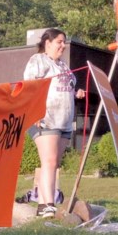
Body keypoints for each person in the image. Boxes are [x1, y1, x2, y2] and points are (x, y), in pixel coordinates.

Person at [23, 28, 86, 218]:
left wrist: (77, 93)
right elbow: (29, 86)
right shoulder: (38, 61)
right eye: (59, 42)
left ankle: (43, 203)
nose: (63, 46)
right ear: (47, 43)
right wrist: (35, 112)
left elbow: (64, 88)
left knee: (53, 163)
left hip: (64, 122)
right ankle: (47, 205)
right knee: (48, 160)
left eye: (64, 42)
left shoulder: (64, 66)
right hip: (45, 119)